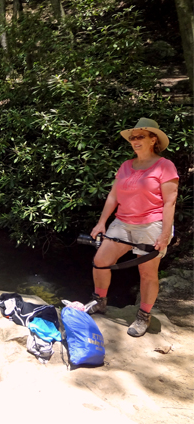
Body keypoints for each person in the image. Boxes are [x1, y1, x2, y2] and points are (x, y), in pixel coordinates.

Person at [87, 118, 179, 337]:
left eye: (140, 137)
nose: (135, 141)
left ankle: (143, 316)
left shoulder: (165, 165)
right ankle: (99, 301)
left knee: (147, 273)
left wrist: (165, 234)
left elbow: (170, 202)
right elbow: (113, 196)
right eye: (132, 138)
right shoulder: (127, 165)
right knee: (100, 261)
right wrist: (101, 222)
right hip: (123, 222)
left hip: (151, 224)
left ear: (152, 139)